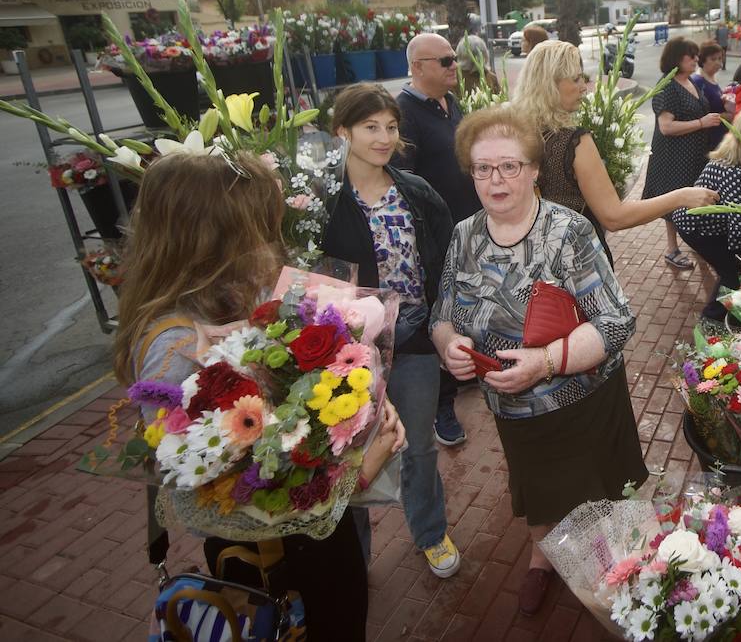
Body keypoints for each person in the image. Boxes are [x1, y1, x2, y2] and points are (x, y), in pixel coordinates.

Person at [115, 152, 404, 641]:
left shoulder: (227, 295)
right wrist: (359, 473)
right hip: (275, 560)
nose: (267, 241)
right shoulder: (174, 345)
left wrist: (364, 405)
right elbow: (205, 497)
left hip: (311, 546)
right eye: (258, 225)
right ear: (215, 236)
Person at [433, 105, 647, 616]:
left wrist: (545, 363)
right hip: (512, 411)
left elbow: (616, 321)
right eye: (483, 168)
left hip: (583, 404)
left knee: (603, 505)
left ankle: (625, 582)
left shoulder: (569, 231)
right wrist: (448, 345)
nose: (496, 179)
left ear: (533, 171)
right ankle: (542, 556)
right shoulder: (464, 235)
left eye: (509, 166)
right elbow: (442, 313)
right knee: (536, 490)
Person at [321, 84, 463, 578]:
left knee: (418, 445)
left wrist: (444, 323)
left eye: (391, 127)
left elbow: (447, 259)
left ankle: (430, 532)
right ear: (342, 131)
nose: (384, 138)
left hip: (415, 340)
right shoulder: (320, 201)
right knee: (346, 450)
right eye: (370, 127)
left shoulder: (415, 191)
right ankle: (352, 554)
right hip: (347, 352)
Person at [513, 40, 717, 262]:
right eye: (576, 79)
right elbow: (614, 217)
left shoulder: (516, 133)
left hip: (532, 256)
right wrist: (681, 196)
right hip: (576, 259)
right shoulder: (573, 141)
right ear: (550, 84)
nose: (583, 87)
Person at [394, 32, 477, 448]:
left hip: (468, 230)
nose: (453, 66)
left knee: (466, 306)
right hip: (435, 242)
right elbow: (404, 183)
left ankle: (466, 368)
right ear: (417, 67)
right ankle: (443, 406)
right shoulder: (404, 114)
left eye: (454, 58)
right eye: (445, 61)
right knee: (440, 314)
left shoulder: (450, 103)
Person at [671, 106, 741, 321]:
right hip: (697, 229)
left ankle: (734, 316)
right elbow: (739, 229)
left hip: (712, 224)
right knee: (732, 274)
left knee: (735, 269)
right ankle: (711, 320)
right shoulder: (734, 170)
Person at [642, 36, 722, 269]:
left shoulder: (689, 81)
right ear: (676, 57)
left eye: (696, 55)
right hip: (674, 157)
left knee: (692, 198)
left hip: (693, 155)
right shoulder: (667, 86)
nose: (696, 59)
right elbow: (666, 127)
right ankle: (672, 249)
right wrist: (701, 123)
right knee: (675, 201)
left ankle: (692, 241)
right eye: (691, 55)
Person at [692, 41, 733, 151]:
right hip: (708, 140)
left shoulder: (711, 77)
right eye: (713, 59)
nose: (718, 63)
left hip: (719, 137)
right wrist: (725, 116)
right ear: (702, 60)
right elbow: (698, 114)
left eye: (720, 58)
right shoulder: (698, 81)